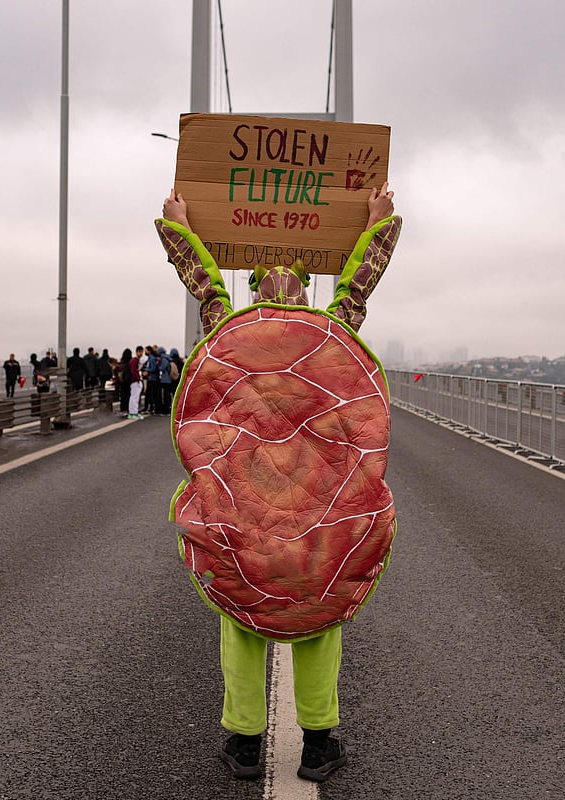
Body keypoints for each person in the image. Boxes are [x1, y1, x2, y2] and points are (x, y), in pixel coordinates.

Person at [156, 183, 400, 783]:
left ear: (257, 289)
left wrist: (179, 226)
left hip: (247, 504)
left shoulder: (231, 338)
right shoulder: (330, 335)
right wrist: (379, 222)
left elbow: (206, 287)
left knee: (241, 619)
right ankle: (317, 743)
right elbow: (358, 288)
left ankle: (243, 745)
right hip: (323, 507)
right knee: (321, 617)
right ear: (304, 293)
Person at [126, 347, 142, 419]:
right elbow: (134, 371)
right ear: (137, 352)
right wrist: (138, 379)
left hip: (133, 381)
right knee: (135, 397)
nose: (141, 354)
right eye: (140, 352)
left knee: (133, 397)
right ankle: (134, 412)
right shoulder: (134, 361)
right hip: (135, 381)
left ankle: (133, 412)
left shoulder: (133, 361)